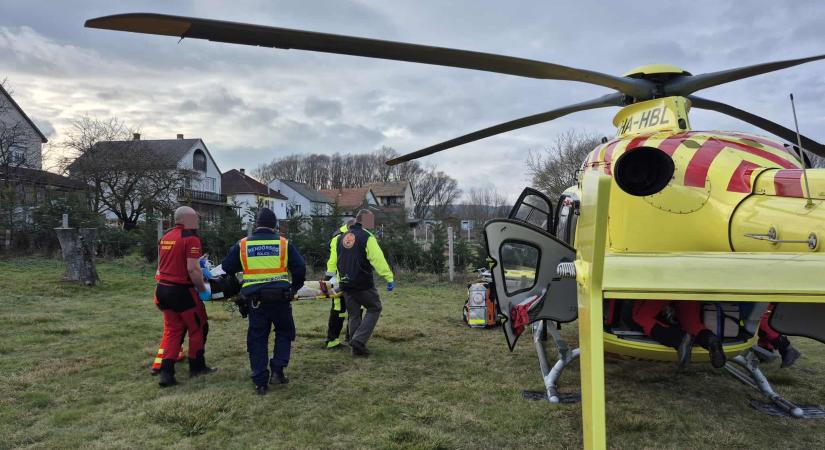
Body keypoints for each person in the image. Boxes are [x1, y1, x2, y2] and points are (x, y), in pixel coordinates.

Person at [221, 208, 306, 395]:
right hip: (280, 298)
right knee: (284, 332)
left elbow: (227, 267)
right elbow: (300, 268)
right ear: (275, 225)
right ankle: (277, 371)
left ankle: (260, 382)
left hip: (255, 301)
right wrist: (294, 288)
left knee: (257, 339)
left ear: (257, 224)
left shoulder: (243, 244)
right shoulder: (283, 243)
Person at [153, 206, 216, 387]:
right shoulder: (191, 238)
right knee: (198, 327)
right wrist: (202, 288)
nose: (198, 221)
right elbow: (192, 269)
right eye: (196, 218)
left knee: (174, 331)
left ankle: (166, 373)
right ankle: (197, 367)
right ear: (186, 219)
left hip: (163, 289)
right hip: (182, 291)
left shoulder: (166, 237)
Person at [328, 209, 394, 357]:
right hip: (362, 282)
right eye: (371, 221)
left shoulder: (340, 238)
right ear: (366, 220)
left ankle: (356, 349)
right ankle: (358, 341)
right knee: (375, 308)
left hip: (345, 283)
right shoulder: (366, 237)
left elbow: (336, 260)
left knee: (354, 315)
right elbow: (377, 259)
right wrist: (388, 277)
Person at [632, 300, 726, 368]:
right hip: (690, 288)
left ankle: (679, 339)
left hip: (665, 286)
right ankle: (711, 341)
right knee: (692, 324)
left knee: (640, 317)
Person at [323, 219, 355, 349]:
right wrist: (329, 280)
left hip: (351, 280)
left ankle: (352, 337)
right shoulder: (339, 238)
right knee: (339, 309)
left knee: (355, 310)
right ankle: (332, 340)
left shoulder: (352, 235)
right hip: (339, 281)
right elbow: (333, 261)